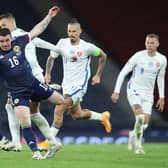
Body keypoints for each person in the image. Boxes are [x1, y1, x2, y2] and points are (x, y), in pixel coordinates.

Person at [0, 6, 65, 160]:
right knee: (25, 117)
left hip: (34, 82)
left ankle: (50, 141)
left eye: (6, 39)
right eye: (1, 41)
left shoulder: (20, 39)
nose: (4, 43)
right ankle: (35, 151)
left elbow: (38, 31)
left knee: (61, 101)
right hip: (18, 92)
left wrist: (49, 16)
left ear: (10, 37)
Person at [38, 18, 112, 150]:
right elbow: (51, 57)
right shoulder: (62, 43)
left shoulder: (87, 47)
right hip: (67, 85)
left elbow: (103, 56)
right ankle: (102, 116)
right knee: (77, 115)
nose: (71, 34)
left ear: (80, 31)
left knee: (59, 108)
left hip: (79, 86)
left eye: (74, 31)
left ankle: (49, 142)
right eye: (69, 31)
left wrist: (98, 75)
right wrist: (48, 73)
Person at [111, 33, 167, 154]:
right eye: (147, 42)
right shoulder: (138, 56)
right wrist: (116, 91)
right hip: (134, 90)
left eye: (152, 43)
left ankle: (132, 135)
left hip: (148, 95)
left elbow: (160, 78)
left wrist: (162, 97)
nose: (149, 45)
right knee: (140, 117)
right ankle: (138, 146)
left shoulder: (162, 59)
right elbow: (123, 72)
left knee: (144, 124)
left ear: (157, 44)